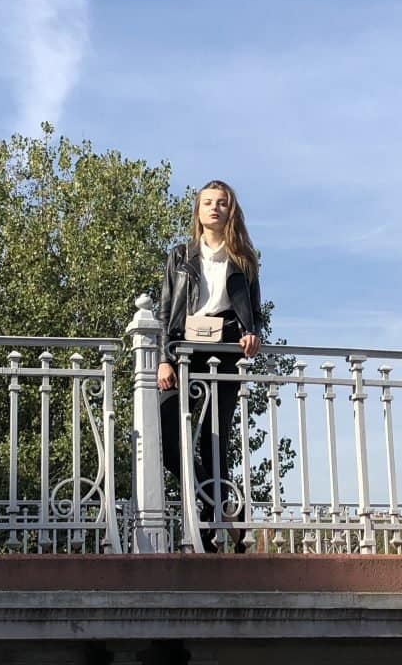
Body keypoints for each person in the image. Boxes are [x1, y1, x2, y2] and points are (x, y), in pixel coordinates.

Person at [157, 180, 262, 553]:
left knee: (214, 440)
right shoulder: (180, 256)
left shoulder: (244, 259)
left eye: (222, 203)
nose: (214, 208)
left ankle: (208, 530)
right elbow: (165, 310)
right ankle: (222, 508)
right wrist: (164, 359)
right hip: (184, 351)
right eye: (208, 202)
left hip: (225, 349)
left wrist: (252, 334)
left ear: (231, 211)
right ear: (198, 211)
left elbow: (254, 312)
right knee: (169, 440)